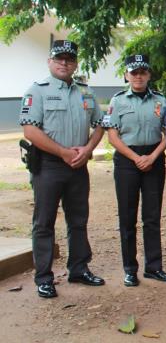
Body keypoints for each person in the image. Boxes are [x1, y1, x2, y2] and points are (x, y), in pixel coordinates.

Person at [19, 39, 105, 298]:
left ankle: (79, 268)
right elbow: (30, 130)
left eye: (69, 59)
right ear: (50, 62)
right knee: (44, 223)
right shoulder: (38, 91)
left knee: (78, 220)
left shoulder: (85, 93)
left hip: (78, 166)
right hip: (48, 166)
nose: (64, 63)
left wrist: (88, 149)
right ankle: (44, 277)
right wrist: (63, 152)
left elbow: (100, 124)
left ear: (75, 63)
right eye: (59, 59)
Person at [103, 54, 166, 287]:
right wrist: (136, 158)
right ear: (127, 75)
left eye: (143, 72)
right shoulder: (118, 101)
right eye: (134, 72)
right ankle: (130, 269)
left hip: (153, 159)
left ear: (149, 75)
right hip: (127, 161)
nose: (138, 76)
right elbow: (112, 136)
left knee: (152, 216)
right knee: (127, 217)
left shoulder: (161, 101)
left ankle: (154, 267)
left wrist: (152, 156)